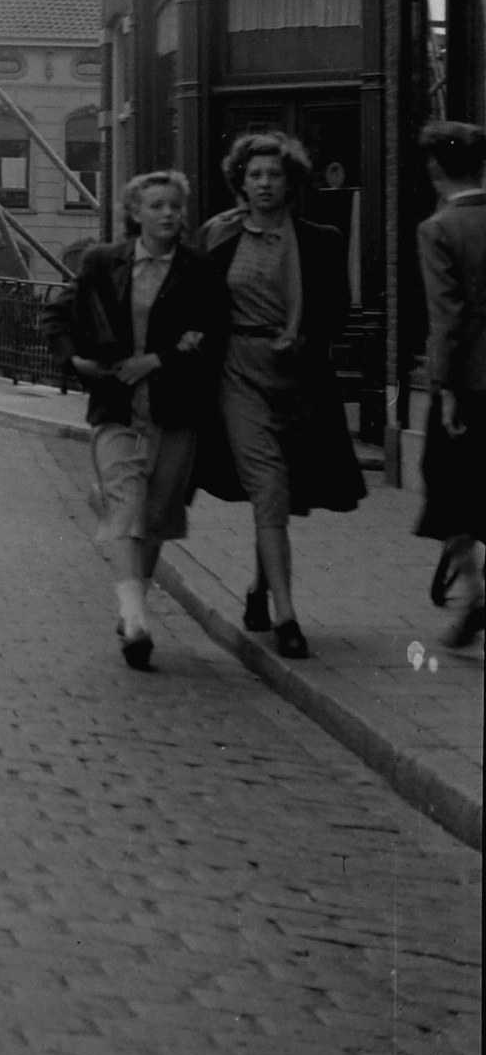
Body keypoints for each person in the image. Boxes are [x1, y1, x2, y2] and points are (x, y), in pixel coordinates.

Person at [200, 130, 364, 660]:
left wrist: (306, 335)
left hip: (297, 380)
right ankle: (287, 615)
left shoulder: (321, 239)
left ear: (291, 182)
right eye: (255, 175)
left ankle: (257, 587)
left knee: (281, 493)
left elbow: (337, 310)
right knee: (268, 485)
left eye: (274, 174)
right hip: (238, 375)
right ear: (241, 183)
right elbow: (195, 301)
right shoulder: (218, 236)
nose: (265, 183)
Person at [55, 171, 226, 669]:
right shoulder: (102, 262)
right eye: (156, 206)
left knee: (156, 516)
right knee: (127, 505)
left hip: (175, 409)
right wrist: (74, 360)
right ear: (135, 213)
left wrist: (159, 360)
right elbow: (58, 316)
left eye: (175, 205)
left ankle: (134, 606)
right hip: (116, 406)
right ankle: (134, 621)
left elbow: (214, 334)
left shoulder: (199, 269)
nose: (168, 214)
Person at [415, 121, 486, 649]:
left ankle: (473, 593)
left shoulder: (438, 229)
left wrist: (444, 390)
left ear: (436, 169)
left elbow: (448, 317)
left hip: (469, 382)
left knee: (449, 490)